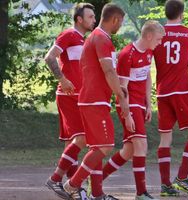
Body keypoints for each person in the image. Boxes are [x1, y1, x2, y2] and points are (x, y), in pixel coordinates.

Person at [62, 3, 129, 200]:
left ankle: (95, 193)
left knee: (98, 147)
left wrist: (117, 88)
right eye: (121, 22)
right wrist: (121, 99)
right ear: (115, 19)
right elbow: (108, 71)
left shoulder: (99, 37)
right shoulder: (101, 38)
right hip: (94, 101)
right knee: (105, 146)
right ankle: (72, 184)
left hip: (94, 100)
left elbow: (107, 73)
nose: (121, 26)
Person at [101, 20, 165, 200]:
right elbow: (122, 91)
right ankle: (141, 193)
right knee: (141, 145)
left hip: (140, 104)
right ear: (149, 35)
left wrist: (149, 104)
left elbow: (147, 77)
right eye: (159, 39)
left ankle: (95, 180)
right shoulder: (127, 54)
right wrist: (127, 114)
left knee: (128, 151)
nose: (160, 43)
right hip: (128, 103)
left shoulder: (149, 51)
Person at [152, 0, 188, 197]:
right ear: (182, 14)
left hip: (162, 92)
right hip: (181, 91)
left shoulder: (157, 33)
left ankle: (165, 185)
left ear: (166, 14)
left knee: (165, 138)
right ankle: (182, 178)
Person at [44, 3, 96, 199]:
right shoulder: (68, 35)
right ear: (79, 19)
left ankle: (73, 189)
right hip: (68, 96)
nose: (94, 20)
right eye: (90, 17)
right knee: (81, 139)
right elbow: (49, 58)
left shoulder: (84, 41)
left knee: (72, 143)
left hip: (80, 97)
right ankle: (56, 180)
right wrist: (62, 79)